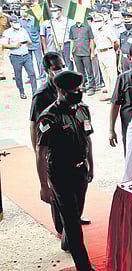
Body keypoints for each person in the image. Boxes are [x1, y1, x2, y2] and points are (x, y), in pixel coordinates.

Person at [36, 70, 95, 270]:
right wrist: (44, 185)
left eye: (79, 88)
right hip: (60, 173)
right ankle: (83, 266)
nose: (78, 92)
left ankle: (67, 241)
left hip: (80, 170)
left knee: (76, 212)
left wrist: (91, 164)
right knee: (72, 221)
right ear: (60, 90)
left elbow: (87, 138)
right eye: (73, 90)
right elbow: (41, 151)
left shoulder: (83, 109)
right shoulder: (48, 117)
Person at [30, 52, 65, 236]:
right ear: (47, 71)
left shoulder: (67, 86)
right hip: (52, 149)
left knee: (72, 189)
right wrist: (39, 153)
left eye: (62, 66)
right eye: (55, 68)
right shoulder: (42, 95)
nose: (60, 71)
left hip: (69, 146)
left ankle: (72, 217)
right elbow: (34, 126)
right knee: (57, 192)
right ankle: (61, 228)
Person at [3, 15, 37, 99]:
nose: (16, 23)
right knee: (18, 75)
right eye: (14, 22)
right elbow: (4, 45)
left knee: (32, 73)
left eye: (17, 22)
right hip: (15, 56)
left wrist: (28, 42)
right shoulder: (7, 32)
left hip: (26, 55)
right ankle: (21, 92)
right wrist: (14, 45)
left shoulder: (23, 30)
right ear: (11, 23)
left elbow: (29, 41)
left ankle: (35, 92)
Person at [92, 14, 120, 101]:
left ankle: (115, 95)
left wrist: (113, 51)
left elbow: (116, 42)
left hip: (108, 52)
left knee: (112, 75)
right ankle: (109, 93)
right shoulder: (95, 30)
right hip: (100, 53)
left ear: (103, 21)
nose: (97, 23)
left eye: (99, 21)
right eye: (95, 21)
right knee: (105, 75)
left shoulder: (108, 29)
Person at [40, 4, 75, 70]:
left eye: (55, 11)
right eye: (52, 11)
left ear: (60, 11)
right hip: (57, 45)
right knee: (59, 64)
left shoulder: (67, 21)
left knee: (69, 64)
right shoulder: (51, 22)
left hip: (66, 44)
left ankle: (71, 78)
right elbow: (51, 35)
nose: (53, 13)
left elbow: (72, 34)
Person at [70, 20, 96, 96]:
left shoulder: (87, 27)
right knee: (80, 72)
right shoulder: (72, 28)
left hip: (86, 52)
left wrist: (92, 52)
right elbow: (72, 40)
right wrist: (70, 53)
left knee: (89, 71)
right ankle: (82, 87)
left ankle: (91, 87)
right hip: (76, 52)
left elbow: (91, 39)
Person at [20, 4, 45, 81]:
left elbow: (40, 32)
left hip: (36, 43)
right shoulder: (20, 21)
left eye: (24, 9)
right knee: (28, 62)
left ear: (28, 10)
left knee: (39, 61)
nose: (23, 12)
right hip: (26, 45)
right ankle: (31, 77)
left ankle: (42, 76)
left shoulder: (35, 20)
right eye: (21, 10)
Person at [0, 6, 10, 81]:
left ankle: (13, 73)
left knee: (9, 55)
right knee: (0, 57)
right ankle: (1, 73)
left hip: (5, 38)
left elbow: (10, 27)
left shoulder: (6, 17)